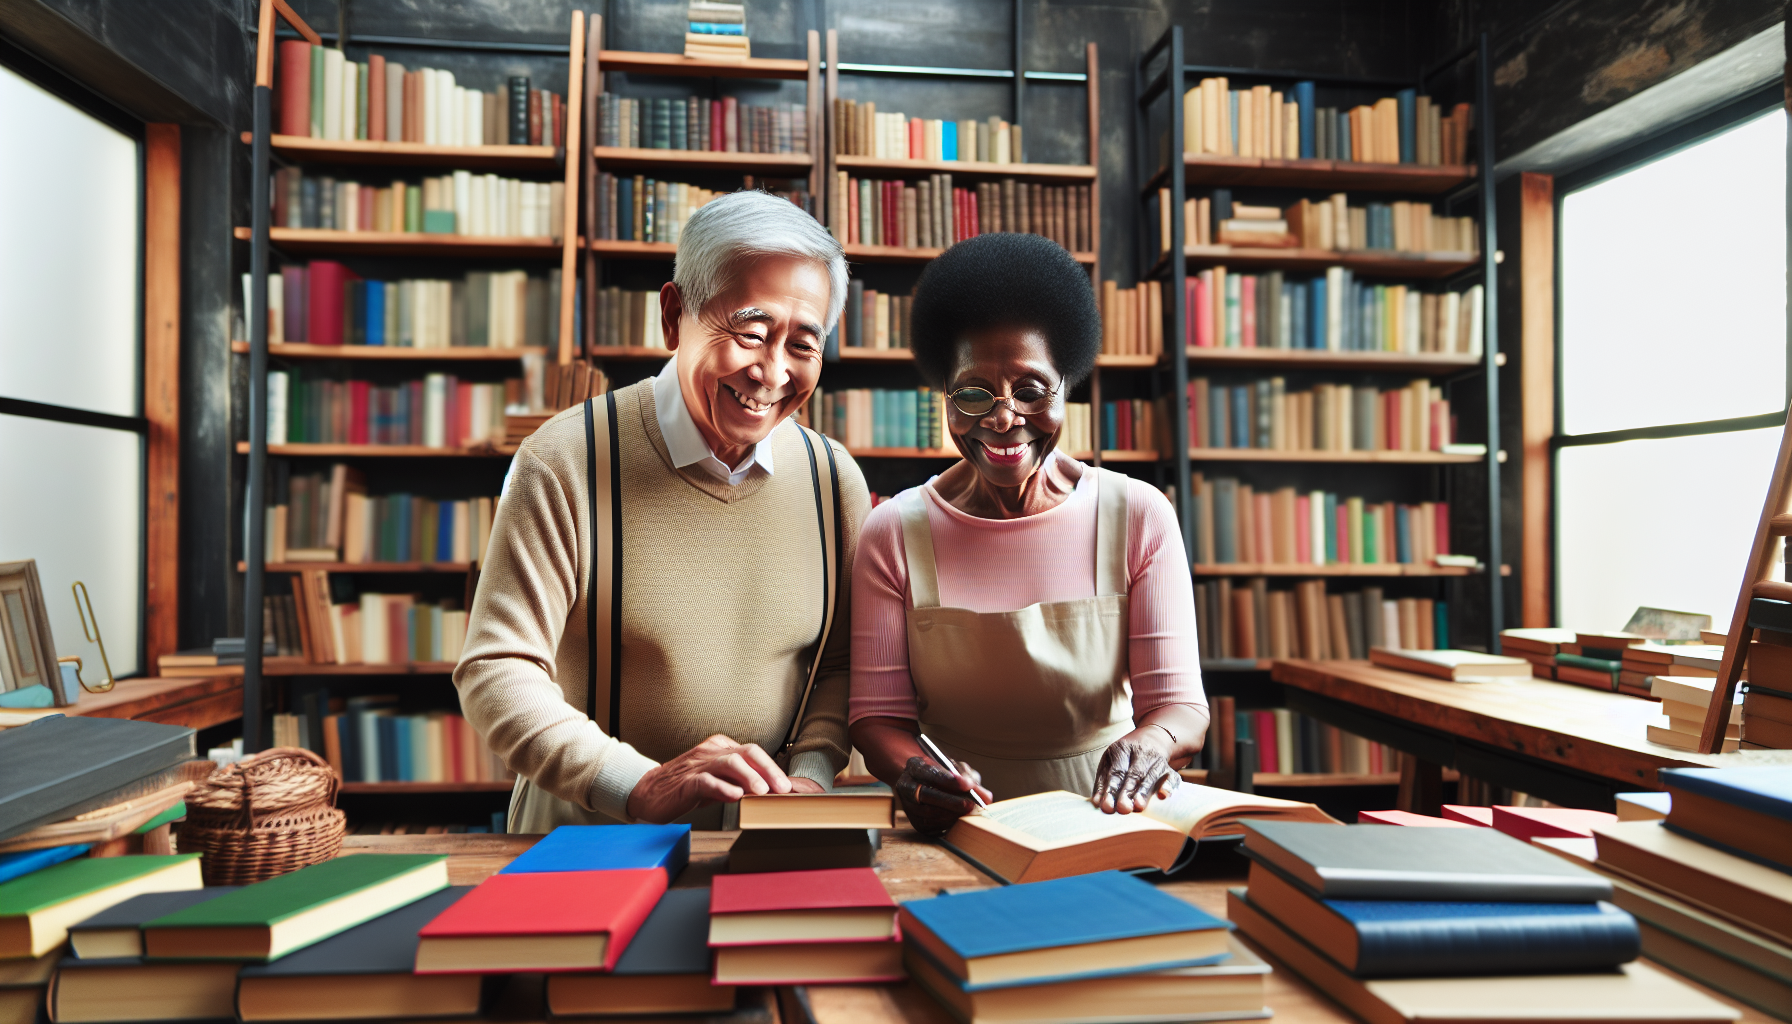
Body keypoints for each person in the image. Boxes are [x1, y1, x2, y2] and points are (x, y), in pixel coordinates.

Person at [456, 190, 869, 831]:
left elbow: (839, 665)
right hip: (591, 835)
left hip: (763, 838)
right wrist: (640, 785)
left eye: (803, 346)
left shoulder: (832, 479)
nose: (771, 372)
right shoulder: (565, 458)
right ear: (675, 316)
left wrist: (808, 776)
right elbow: (498, 668)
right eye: (752, 334)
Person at [848, 232, 1208, 834]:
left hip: (1111, 820)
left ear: (1067, 386)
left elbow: (1180, 708)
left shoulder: (1138, 516)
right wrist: (914, 770)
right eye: (972, 393)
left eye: (1031, 390)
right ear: (944, 393)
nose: (1003, 417)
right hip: (957, 826)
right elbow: (876, 718)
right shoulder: (894, 531)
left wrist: (1152, 745)